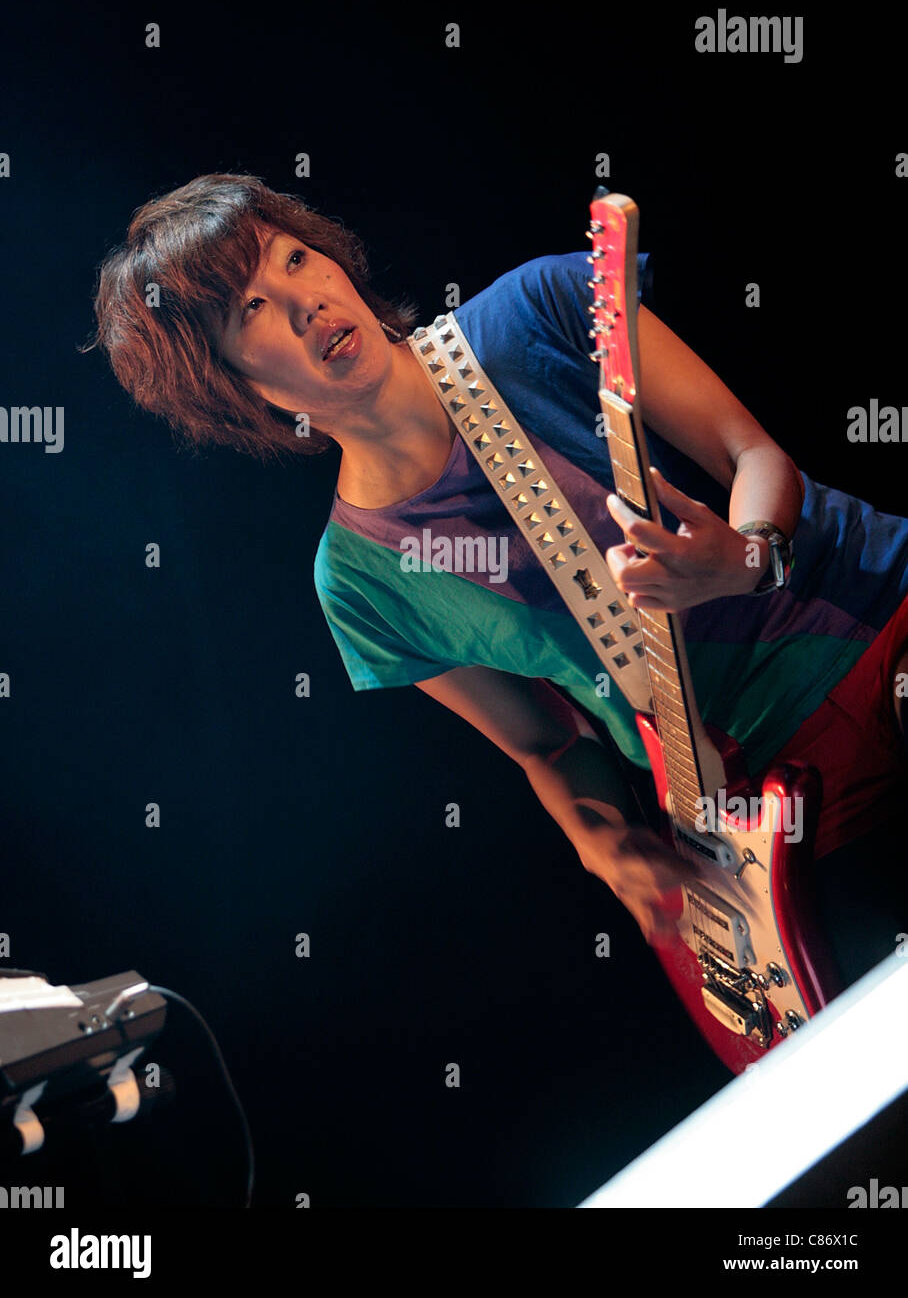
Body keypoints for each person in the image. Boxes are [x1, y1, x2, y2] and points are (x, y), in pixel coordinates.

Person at [83, 172, 908, 954]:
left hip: (876, 619)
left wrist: (748, 557)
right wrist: (604, 843)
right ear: (234, 388)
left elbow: (752, 452)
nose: (306, 303)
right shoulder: (357, 579)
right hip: (763, 824)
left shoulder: (540, 307)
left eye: (294, 258)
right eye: (253, 309)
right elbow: (546, 745)